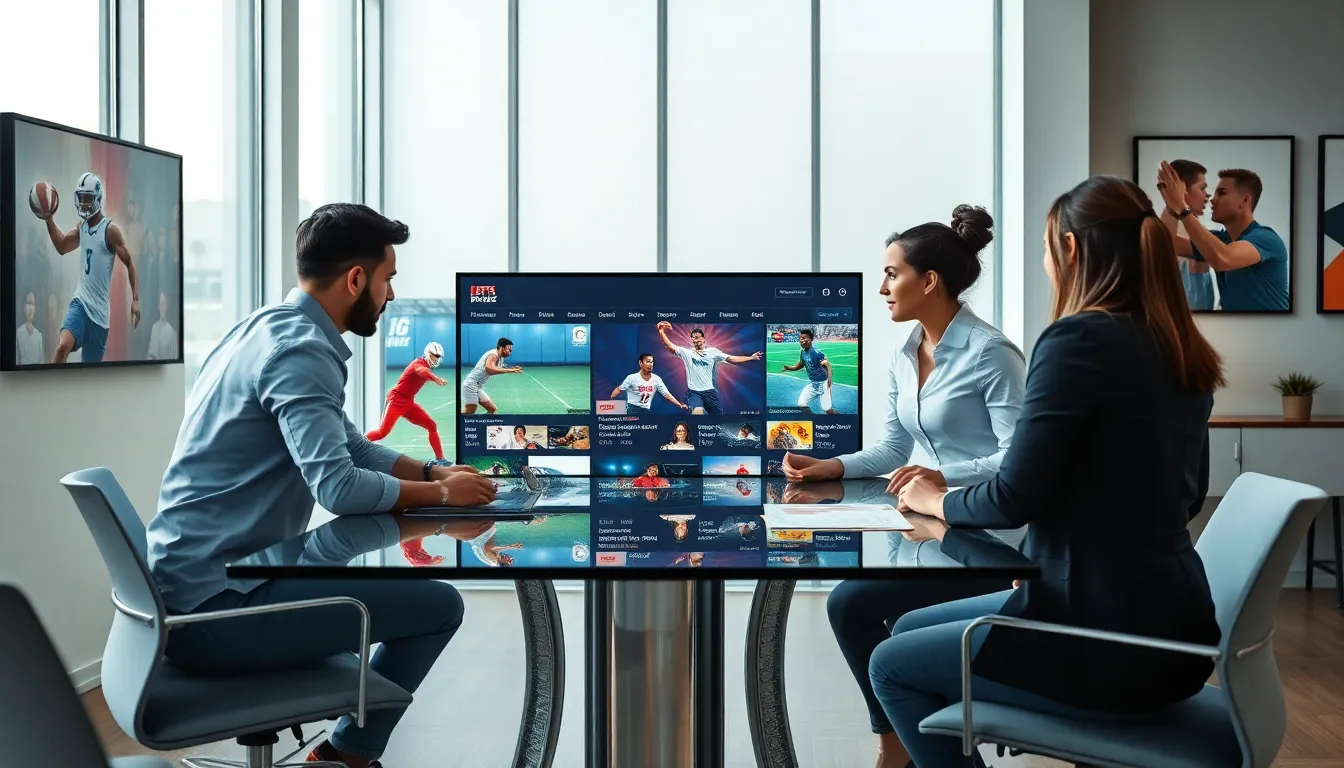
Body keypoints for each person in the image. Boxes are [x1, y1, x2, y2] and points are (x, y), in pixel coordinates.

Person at [146, 203, 500, 768]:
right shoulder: (300, 351)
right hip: (216, 614)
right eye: (387, 280)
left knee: (414, 598)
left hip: (191, 591)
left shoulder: (265, 328)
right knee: (439, 606)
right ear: (356, 279)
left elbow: (352, 447)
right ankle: (344, 758)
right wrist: (439, 498)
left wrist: (435, 472)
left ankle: (344, 753)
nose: (388, 297)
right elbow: (336, 486)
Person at [889, 176, 1224, 767]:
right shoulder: (1176, 343)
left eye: (1046, 248)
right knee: (907, 628)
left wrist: (934, 499)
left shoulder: (1077, 339)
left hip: (1100, 639)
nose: (1045, 262)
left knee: (891, 666)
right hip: (1176, 631)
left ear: (1070, 250)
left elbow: (1014, 495)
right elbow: (1188, 495)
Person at [782, 205, 1026, 768]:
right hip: (925, 527)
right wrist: (831, 466)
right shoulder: (904, 353)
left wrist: (943, 476)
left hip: (984, 533)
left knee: (851, 605)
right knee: (856, 605)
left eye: (892, 273)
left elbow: (1017, 458)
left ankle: (896, 747)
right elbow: (894, 450)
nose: (883, 286)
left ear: (929, 281)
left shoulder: (993, 354)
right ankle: (900, 741)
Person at [35, 172, 141, 363]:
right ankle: (52, 391)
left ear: (98, 199)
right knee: (62, 347)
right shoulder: (82, 227)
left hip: (100, 316)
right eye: (81, 197)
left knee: (89, 372)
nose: (83, 203)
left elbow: (130, 263)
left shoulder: (110, 231)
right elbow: (62, 246)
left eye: (87, 198)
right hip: (81, 304)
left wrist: (135, 300)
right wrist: (49, 220)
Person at [1157, 162, 1288, 311]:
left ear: (1245, 200)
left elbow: (1223, 259)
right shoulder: (1220, 240)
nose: (1212, 199)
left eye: (1222, 192)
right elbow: (1168, 243)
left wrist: (1182, 208)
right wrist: (1171, 203)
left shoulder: (1265, 238)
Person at [365, 342, 448, 459]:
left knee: (431, 426)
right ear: (428, 353)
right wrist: (436, 379)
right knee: (381, 433)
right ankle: (356, 445)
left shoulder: (426, 366)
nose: (436, 358)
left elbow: (425, 372)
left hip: (409, 403)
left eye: (438, 356)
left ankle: (441, 460)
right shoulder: (418, 364)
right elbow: (422, 371)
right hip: (395, 399)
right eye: (435, 355)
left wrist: (434, 378)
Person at [656, 323, 762, 414]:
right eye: (693, 337)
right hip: (694, 393)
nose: (695, 338)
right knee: (697, 413)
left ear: (703, 338)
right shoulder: (687, 353)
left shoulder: (713, 352)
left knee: (718, 419)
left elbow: (732, 358)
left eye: (698, 336)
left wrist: (751, 357)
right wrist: (661, 331)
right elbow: (669, 345)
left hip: (709, 393)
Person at [1159, 159, 1215, 310]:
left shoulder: (1192, 226)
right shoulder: (1179, 229)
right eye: (1202, 188)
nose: (1208, 195)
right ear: (1182, 188)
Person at [780, 328, 837, 413]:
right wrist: (789, 368)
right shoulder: (803, 353)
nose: (801, 340)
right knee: (801, 404)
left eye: (804, 338)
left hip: (824, 384)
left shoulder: (818, 353)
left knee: (827, 410)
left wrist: (829, 380)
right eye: (800, 338)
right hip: (813, 384)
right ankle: (813, 421)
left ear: (810, 339)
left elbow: (828, 365)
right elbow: (800, 365)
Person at [459, 337, 522, 414]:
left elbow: (498, 367)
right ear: (501, 347)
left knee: (492, 409)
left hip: (478, 387)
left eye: (511, 350)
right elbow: (490, 369)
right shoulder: (493, 355)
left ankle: (481, 424)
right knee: (470, 411)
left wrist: (512, 368)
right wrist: (510, 370)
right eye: (509, 349)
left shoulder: (500, 357)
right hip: (471, 384)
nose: (510, 352)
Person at [611, 352, 689, 412]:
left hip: (646, 410)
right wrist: (612, 398)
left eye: (652, 362)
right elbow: (619, 389)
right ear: (640, 363)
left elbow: (666, 394)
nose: (650, 364)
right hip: (632, 409)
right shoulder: (631, 378)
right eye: (648, 361)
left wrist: (679, 405)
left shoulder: (656, 379)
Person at [147, 292, 178, 360]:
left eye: (163, 304)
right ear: (158, 307)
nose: (162, 307)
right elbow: (150, 354)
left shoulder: (173, 332)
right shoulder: (154, 328)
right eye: (160, 304)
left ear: (167, 306)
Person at [15, 291, 44, 365]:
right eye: (28, 303)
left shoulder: (39, 336)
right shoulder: (18, 334)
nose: (31, 308)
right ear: (24, 307)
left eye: (33, 304)